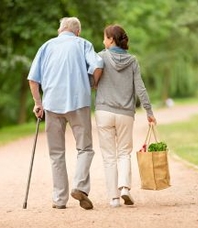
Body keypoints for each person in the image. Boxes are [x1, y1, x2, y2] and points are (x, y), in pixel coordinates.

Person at [27, 17, 103, 210]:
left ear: (60, 30)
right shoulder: (83, 44)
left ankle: (59, 199)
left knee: (56, 153)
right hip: (79, 103)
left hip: (52, 104)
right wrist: (92, 84)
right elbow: (97, 66)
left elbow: (33, 79)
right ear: (77, 31)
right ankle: (79, 186)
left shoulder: (46, 46)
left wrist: (38, 103)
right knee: (85, 149)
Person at [94, 24, 157, 208]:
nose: (103, 41)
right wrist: (149, 112)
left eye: (105, 37)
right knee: (124, 153)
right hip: (125, 114)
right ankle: (125, 189)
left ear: (111, 39)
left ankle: (113, 198)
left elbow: (92, 80)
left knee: (108, 156)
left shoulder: (100, 57)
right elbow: (140, 88)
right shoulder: (133, 61)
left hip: (104, 111)